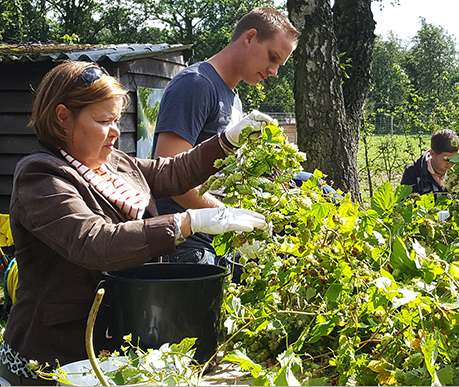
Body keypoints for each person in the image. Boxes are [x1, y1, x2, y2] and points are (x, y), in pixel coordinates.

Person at [0, 61, 270, 385]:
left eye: (116, 120)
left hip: (113, 342)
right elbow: (95, 242)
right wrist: (187, 222)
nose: (115, 131)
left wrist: (226, 141)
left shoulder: (114, 162)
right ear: (62, 117)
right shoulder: (41, 176)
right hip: (55, 353)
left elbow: (172, 172)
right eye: (103, 121)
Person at [152, 7, 301, 265]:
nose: (274, 71)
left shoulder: (234, 100)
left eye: (280, 64)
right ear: (249, 37)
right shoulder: (196, 84)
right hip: (188, 251)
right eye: (272, 57)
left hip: (217, 247)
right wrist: (228, 216)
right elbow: (168, 175)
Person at [400, 129, 459, 197]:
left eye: (456, 159)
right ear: (432, 153)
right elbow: (404, 203)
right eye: (446, 159)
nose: (451, 164)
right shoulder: (413, 173)